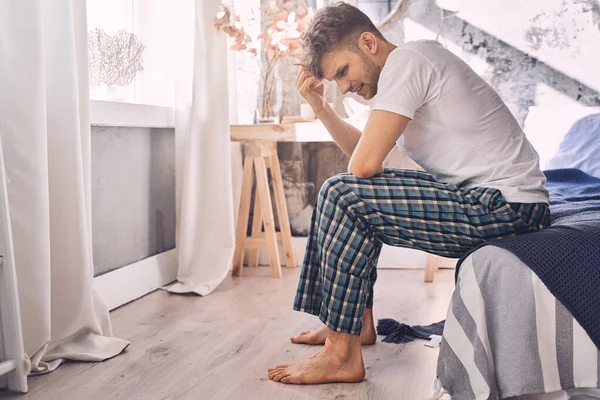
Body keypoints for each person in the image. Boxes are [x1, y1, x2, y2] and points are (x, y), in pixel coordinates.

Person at [267, 2, 551, 385]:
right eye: (336, 81)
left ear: (368, 42)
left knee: (340, 191)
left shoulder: (408, 62)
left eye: (343, 72)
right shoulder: (409, 73)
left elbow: (363, 168)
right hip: (495, 202)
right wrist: (320, 107)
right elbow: (372, 165)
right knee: (349, 191)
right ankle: (354, 325)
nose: (345, 88)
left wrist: (359, 164)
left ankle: (341, 352)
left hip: (505, 207)